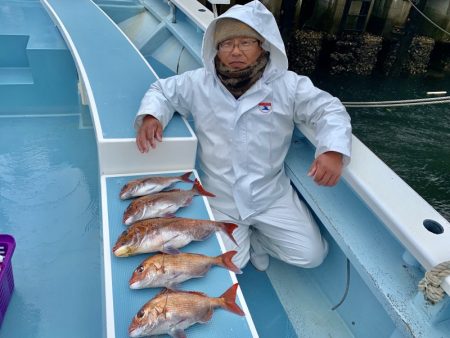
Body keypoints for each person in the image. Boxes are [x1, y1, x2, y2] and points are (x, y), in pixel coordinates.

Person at [134, 1, 352, 271]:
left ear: (262, 45)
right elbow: (162, 91)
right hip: (220, 197)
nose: (235, 51)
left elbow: (328, 109)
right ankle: (248, 242)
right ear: (216, 48)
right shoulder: (198, 82)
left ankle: (258, 241)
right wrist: (152, 116)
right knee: (230, 265)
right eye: (227, 44)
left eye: (245, 42)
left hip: (270, 195)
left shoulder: (287, 85)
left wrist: (332, 151)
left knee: (311, 255)